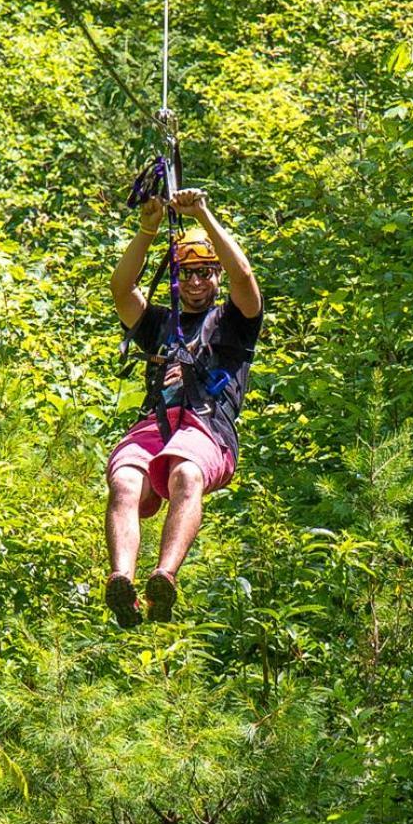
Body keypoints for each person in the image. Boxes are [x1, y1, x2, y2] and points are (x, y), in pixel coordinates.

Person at [104, 186, 263, 625]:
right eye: (186, 274)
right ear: (175, 278)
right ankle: (122, 579)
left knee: (186, 472)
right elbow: (121, 288)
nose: (196, 282)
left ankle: (164, 577)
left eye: (205, 273)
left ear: (215, 276)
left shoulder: (235, 320)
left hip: (206, 427)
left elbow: (244, 276)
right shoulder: (158, 322)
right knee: (123, 481)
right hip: (155, 425)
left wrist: (204, 215)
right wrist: (147, 229)